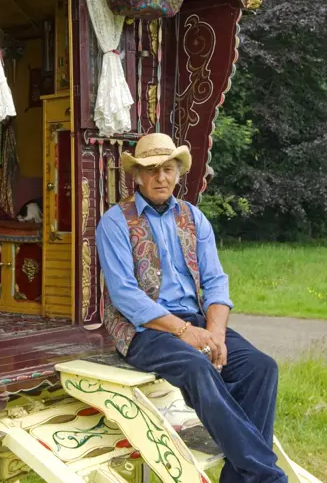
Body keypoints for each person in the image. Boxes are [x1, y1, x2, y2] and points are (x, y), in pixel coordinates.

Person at [96, 133, 287, 483]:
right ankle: (264, 475)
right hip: (145, 331)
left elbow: (215, 281)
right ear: (136, 176)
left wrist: (215, 333)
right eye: (151, 170)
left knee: (261, 367)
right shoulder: (114, 222)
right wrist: (185, 332)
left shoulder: (194, 217)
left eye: (167, 169)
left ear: (178, 172)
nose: (161, 178)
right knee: (198, 367)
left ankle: (241, 476)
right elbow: (125, 296)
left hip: (196, 322)